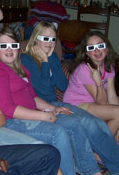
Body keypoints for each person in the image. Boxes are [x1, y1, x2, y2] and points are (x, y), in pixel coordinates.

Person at [0, 27, 119, 175]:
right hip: (14, 120)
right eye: (3, 46)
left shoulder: (19, 68)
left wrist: (52, 109)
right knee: (59, 132)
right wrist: (43, 115)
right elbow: (7, 108)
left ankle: (99, 169)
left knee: (84, 122)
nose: (9, 49)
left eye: (13, 45)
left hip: (37, 109)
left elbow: (36, 96)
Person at [21, 21, 119, 174]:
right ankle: (90, 170)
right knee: (80, 122)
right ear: (35, 39)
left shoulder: (53, 56)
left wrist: (51, 59)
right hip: (39, 105)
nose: (49, 43)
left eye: (53, 39)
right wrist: (45, 62)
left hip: (56, 102)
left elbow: (62, 85)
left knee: (95, 123)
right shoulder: (26, 59)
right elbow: (41, 89)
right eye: (45, 38)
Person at [63, 31, 119, 142]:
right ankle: (100, 150)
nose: (97, 50)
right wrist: (98, 81)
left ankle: (112, 137)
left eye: (100, 46)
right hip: (75, 105)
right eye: (91, 48)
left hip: (92, 102)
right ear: (87, 54)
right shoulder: (84, 70)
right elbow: (102, 103)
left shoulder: (109, 67)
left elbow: (112, 96)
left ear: (106, 49)